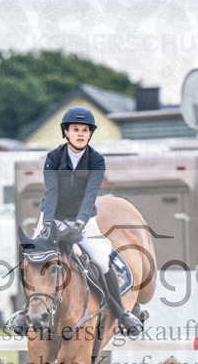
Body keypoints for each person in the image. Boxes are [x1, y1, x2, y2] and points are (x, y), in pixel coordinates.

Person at [8, 105, 142, 337]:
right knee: (32, 257)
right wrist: (49, 224)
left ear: (90, 134)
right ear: (66, 132)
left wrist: (79, 225)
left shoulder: (96, 161)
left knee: (102, 258)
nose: (80, 133)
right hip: (52, 216)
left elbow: (90, 195)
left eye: (84, 130)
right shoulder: (53, 158)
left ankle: (122, 313)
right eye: (75, 129)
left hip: (83, 220)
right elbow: (51, 194)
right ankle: (24, 310)